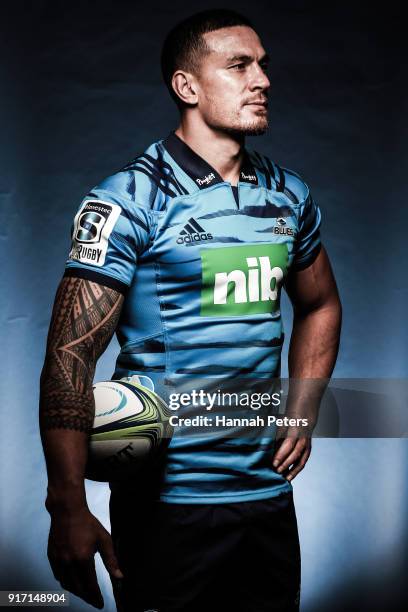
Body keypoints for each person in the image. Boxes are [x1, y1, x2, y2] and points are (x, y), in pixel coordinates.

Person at [39, 9, 342, 612]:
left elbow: (321, 304)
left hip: (265, 497)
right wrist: (67, 506)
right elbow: (70, 356)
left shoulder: (289, 195)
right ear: (188, 87)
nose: (263, 80)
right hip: (165, 508)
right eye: (239, 66)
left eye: (263, 66)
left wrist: (303, 409)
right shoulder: (129, 200)